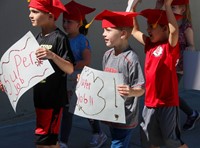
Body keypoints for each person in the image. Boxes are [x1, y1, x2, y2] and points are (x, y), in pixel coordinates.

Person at [131, 0, 188, 147]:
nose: (148, 29)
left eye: (152, 26)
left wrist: (168, 6)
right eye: (148, 26)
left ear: (164, 29)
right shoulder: (150, 44)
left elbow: (174, 31)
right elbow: (134, 31)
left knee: (171, 141)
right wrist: (132, 7)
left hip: (167, 103)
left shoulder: (170, 47)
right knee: (149, 140)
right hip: (150, 103)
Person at [88, 9, 145, 148]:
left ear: (123, 34)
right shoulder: (107, 55)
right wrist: (88, 81)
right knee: (116, 141)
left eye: (108, 30)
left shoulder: (131, 59)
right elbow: (105, 83)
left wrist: (131, 91)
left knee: (117, 144)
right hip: (111, 114)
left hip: (126, 116)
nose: (103, 34)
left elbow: (141, 88)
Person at [59, 1, 107, 148]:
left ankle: (98, 133)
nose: (66, 25)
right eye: (64, 21)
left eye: (69, 22)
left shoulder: (81, 40)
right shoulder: (62, 38)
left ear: (79, 23)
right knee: (67, 112)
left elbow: (86, 61)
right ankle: (63, 142)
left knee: (87, 110)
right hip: (66, 81)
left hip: (80, 80)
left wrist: (70, 66)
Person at [28, 0, 75, 147]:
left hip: (53, 100)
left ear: (50, 15)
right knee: (49, 142)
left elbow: (70, 68)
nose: (30, 15)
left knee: (44, 142)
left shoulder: (60, 37)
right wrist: (10, 82)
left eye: (35, 11)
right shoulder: (37, 38)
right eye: (30, 11)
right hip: (40, 98)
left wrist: (52, 55)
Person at [156, 0, 200, 131]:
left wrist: (190, 49)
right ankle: (192, 113)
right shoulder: (166, 21)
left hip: (178, 65)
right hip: (166, 62)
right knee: (168, 93)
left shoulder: (185, 26)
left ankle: (178, 121)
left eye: (173, 7)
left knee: (171, 93)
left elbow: (191, 44)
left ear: (183, 10)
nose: (168, 8)